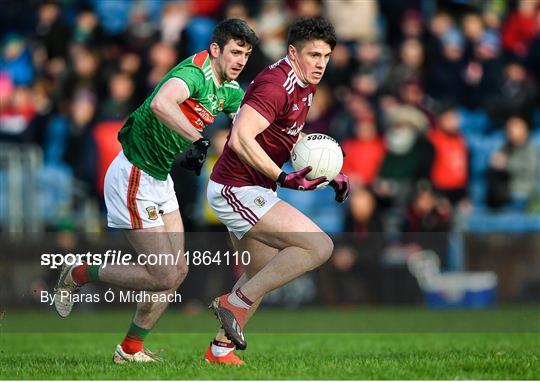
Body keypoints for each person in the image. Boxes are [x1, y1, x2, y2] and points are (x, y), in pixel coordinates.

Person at [53, 19, 258, 364]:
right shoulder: (194, 74)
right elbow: (162, 104)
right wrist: (197, 140)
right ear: (215, 50)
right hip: (134, 174)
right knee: (162, 272)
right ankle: (78, 272)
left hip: (159, 179)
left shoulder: (230, 90)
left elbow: (247, 127)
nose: (240, 60)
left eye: (246, 54)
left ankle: (129, 350)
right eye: (235, 52)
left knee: (176, 273)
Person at [205, 17, 350, 365]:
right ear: (292, 52)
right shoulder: (277, 85)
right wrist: (283, 178)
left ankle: (219, 352)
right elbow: (240, 137)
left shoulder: (305, 81)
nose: (320, 63)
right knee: (319, 246)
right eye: (313, 55)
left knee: (261, 273)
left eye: (326, 56)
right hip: (236, 188)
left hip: (253, 187)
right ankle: (232, 304)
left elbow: (288, 134)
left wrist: (332, 172)